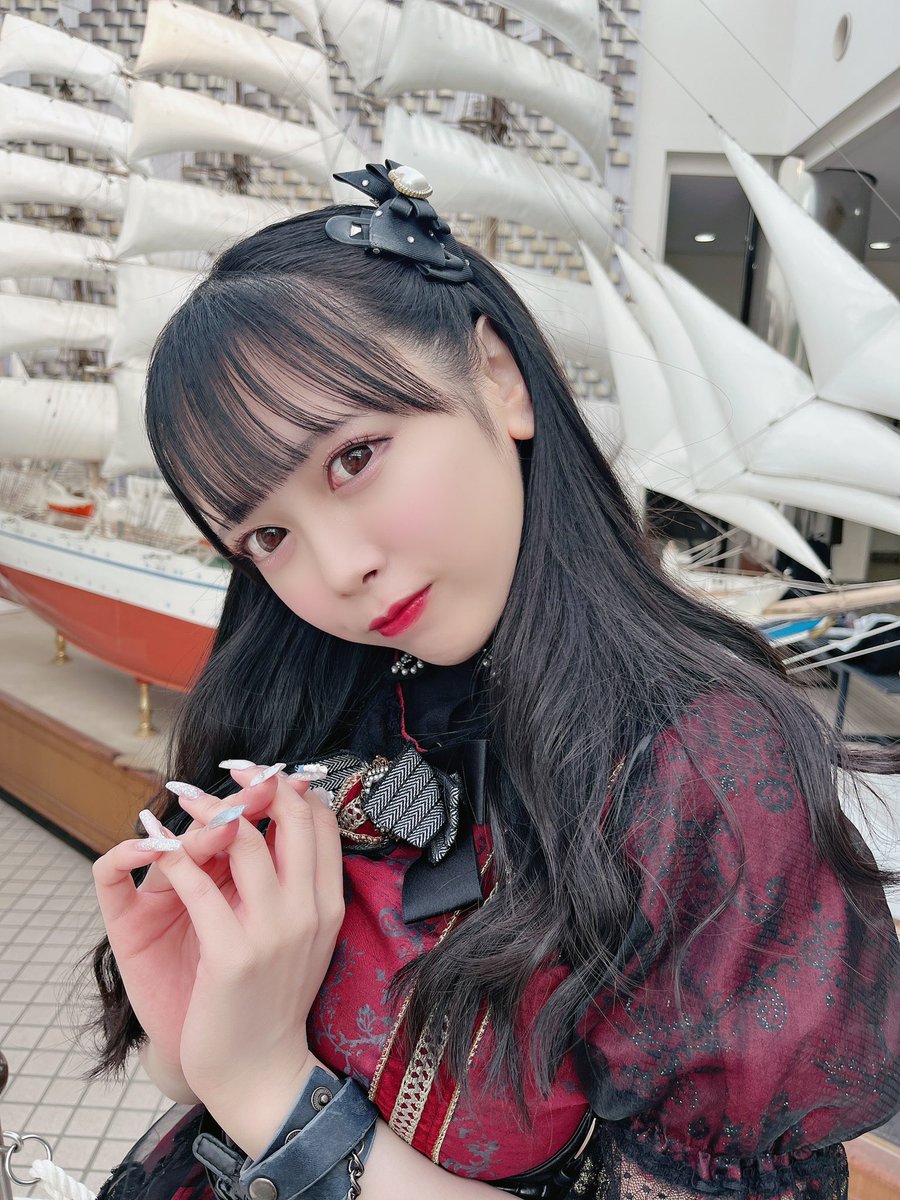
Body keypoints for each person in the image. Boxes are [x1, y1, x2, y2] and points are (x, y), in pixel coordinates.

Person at [89, 162, 900, 1200]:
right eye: (269, 536)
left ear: (500, 379)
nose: (339, 569)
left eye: (354, 458)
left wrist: (271, 1096)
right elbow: (204, 1078)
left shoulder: (705, 775)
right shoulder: (332, 694)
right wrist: (190, 1024)